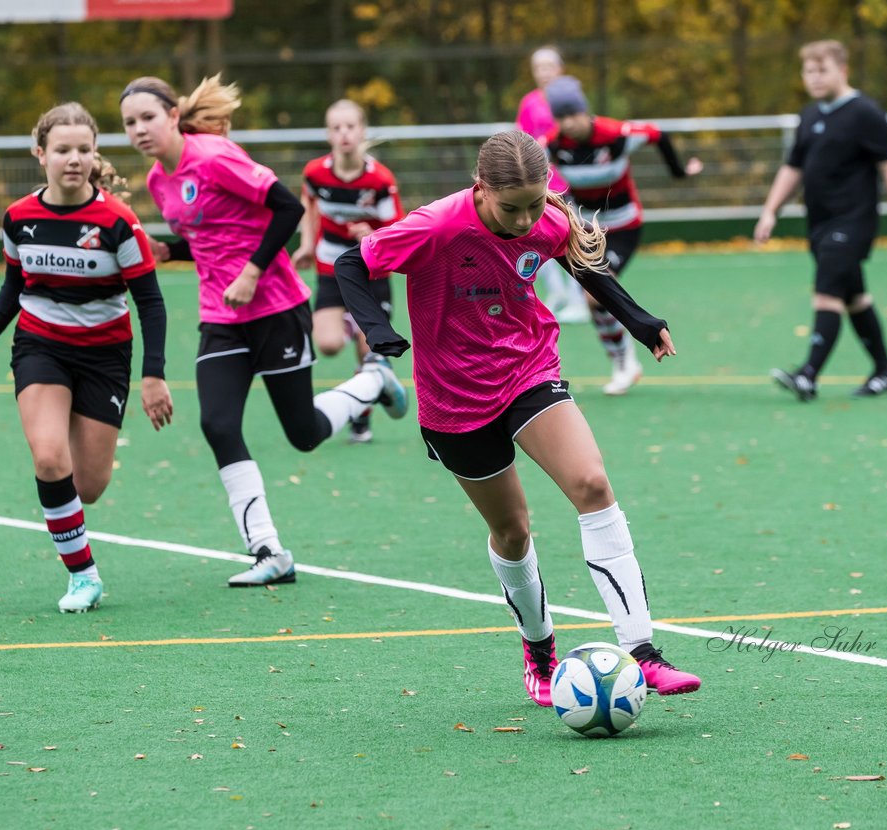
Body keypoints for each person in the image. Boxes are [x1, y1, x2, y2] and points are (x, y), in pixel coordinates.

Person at [334, 129, 702, 705]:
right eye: (513, 208)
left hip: (528, 369)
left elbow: (585, 264)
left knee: (592, 483)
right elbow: (351, 263)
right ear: (481, 189)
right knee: (512, 531)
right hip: (454, 397)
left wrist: (639, 319)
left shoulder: (547, 218)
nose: (529, 219)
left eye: (537, 202)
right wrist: (377, 331)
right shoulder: (439, 225)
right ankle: (539, 645)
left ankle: (643, 652)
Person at [119, 74, 408, 587]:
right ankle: (268, 550)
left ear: (171, 114)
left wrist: (252, 273)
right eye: (129, 123)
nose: (140, 129)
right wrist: (171, 250)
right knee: (218, 424)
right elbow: (214, 237)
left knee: (304, 434)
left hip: (276, 308)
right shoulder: (158, 182)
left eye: (148, 117)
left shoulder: (214, 156)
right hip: (221, 318)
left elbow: (287, 208)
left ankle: (373, 382)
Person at [0, 102, 174, 613]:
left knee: (88, 486)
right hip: (40, 346)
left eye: (83, 149)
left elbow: (150, 301)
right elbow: (16, 282)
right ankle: (84, 576)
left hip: (105, 355)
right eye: (62, 150)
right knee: (50, 458)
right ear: (41, 154)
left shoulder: (117, 224)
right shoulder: (18, 218)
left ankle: (71, 535)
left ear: (94, 153)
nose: (73, 159)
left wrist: (154, 376)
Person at [754, 39, 887, 401]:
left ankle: (808, 375)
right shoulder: (809, 115)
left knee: (827, 293)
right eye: (809, 71)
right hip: (820, 223)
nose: (815, 78)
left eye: (823, 70)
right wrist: (771, 210)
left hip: (853, 222)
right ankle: (886, 369)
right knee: (855, 298)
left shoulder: (866, 113)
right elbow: (793, 168)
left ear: (842, 71)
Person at [542, 75, 704, 395]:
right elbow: (536, 173)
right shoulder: (555, 144)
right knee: (594, 303)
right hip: (587, 228)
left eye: (571, 114)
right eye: (560, 117)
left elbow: (659, 134)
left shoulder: (616, 135)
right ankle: (622, 360)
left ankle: (624, 363)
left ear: (584, 110)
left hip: (623, 227)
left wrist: (680, 172)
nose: (567, 123)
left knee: (595, 293)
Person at [290, 99, 404, 445]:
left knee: (368, 354)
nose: (344, 134)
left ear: (362, 131)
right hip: (331, 267)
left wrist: (372, 236)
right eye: (336, 128)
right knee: (325, 345)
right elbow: (309, 204)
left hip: (371, 270)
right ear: (328, 134)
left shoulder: (380, 180)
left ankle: (360, 422)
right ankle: (349, 324)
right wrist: (308, 245)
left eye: (350, 126)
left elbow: (397, 230)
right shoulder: (315, 173)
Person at [515, 46, 588, 324]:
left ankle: (578, 298)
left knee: (572, 239)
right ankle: (556, 293)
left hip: (568, 183)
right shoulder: (529, 102)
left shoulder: (570, 101)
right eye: (538, 68)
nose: (543, 73)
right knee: (531, 235)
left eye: (549, 66)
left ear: (560, 68)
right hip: (537, 184)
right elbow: (522, 139)